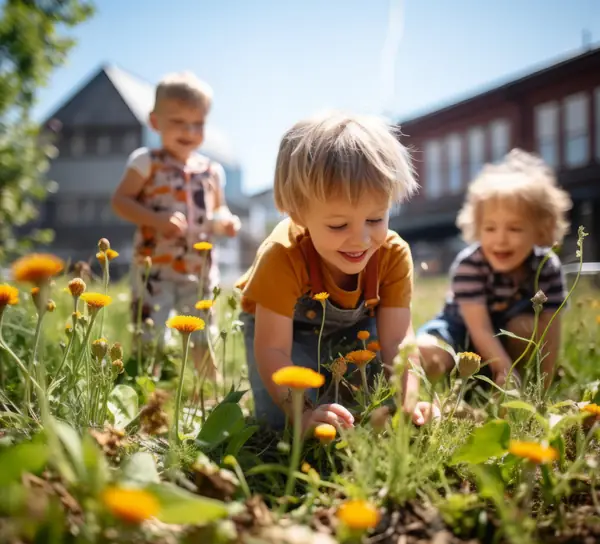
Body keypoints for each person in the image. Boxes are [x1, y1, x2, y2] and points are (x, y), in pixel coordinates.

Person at [235, 109, 439, 433]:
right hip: (285, 336)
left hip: (355, 328)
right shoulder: (282, 256)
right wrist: (300, 413)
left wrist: (409, 403)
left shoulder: (392, 254)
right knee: (279, 426)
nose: (360, 238)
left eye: (375, 219)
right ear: (298, 213)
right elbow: (272, 348)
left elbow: (398, 340)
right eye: (338, 224)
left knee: (373, 409)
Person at [112, 70, 240, 379]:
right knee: (149, 334)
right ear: (155, 122)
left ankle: (209, 395)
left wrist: (226, 222)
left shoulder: (211, 171)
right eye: (178, 122)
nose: (189, 130)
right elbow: (121, 201)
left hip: (199, 271)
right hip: (153, 270)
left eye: (197, 123)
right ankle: (144, 392)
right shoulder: (146, 162)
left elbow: (219, 208)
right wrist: (156, 220)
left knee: (202, 334)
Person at [417, 148, 572, 389]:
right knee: (424, 351)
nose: (500, 240)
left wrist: (545, 382)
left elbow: (551, 330)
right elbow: (479, 328)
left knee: (525, 326)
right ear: (478, 227)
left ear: (541, 229)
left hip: (510, 339)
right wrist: (503, 369)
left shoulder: (546, 266)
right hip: (462, 333)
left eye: (514, 229)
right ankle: (456, 387)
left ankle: (515, 385)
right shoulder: (470, 264)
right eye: (490, 228)